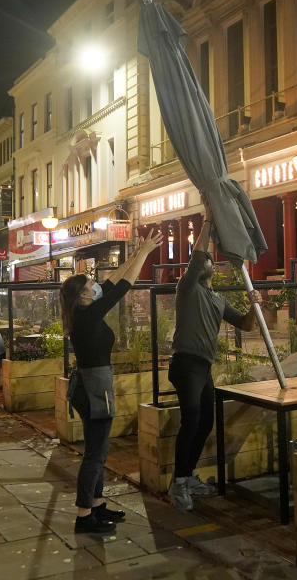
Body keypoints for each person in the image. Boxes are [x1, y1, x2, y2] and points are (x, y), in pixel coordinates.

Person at [60, 229, 163, 534]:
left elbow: (109, 284)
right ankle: (83, 515)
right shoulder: (87, 317)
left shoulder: (84, 311)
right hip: (94, 390)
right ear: (82, 296)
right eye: (90, 285)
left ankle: (96, 505)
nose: (96, 286)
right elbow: (120, 288)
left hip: (92, 386)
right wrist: (143, 254)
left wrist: (135, 253)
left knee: (100, 450)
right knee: (95, 453)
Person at [168, 215, 263, 511]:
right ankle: (179, 483)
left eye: (210, 258)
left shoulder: (217, 299)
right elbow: (198, 254)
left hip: (203, 367)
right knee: (192, 419)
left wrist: (255, 304)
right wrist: (209, 221)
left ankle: (188, 475)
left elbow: (247, 325)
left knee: (205, 421)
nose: (207, 259)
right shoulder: (188, 289)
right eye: (204, 258)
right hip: (186, 363)